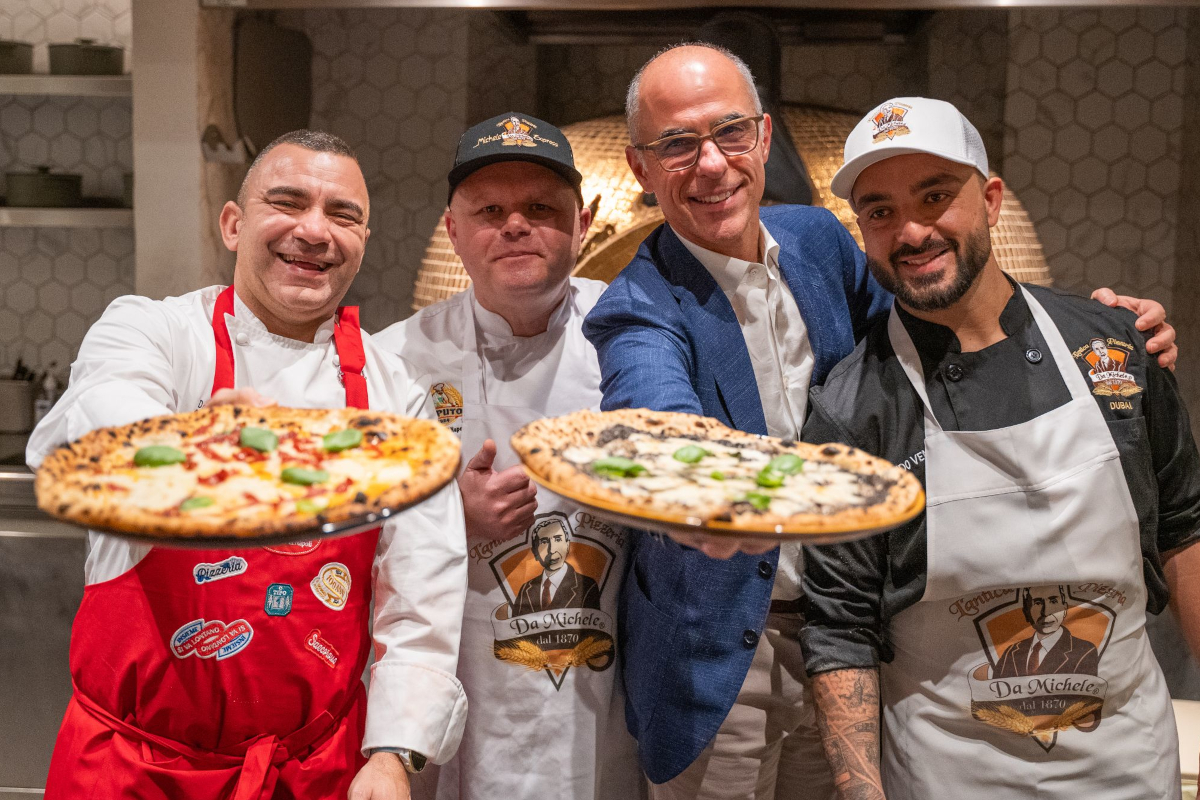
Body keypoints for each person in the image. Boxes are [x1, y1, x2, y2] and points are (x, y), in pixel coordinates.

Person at [581, 44, 1179, 800]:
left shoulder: (819, 240)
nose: (710, 164)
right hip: (726, 655)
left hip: (867, 635)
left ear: (763, 139)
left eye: (730, 133)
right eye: (676, 144)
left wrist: (1093, 333)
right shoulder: (637, 307)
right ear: (639, 168)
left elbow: (938, 294)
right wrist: (685, 497)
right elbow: (655, 419)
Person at [28, 130, 468, 800]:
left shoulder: (394, 397)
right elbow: (100, 416)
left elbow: (423, 591)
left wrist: (392, 755)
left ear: (363, 242)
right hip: (134, 770)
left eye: (342, 215)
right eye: (287, 203)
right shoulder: (154, 333)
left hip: (311, 772)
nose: (314, 230)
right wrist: (194, 443)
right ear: (234, 223)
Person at [800, 97, 1200, 800]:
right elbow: (841, 628)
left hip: (1129, 773)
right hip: (949, 778)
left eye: (934, 197)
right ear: (862, 232)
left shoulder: (1114, 347)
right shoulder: (851, 408)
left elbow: (1186, 529)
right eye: (881, 211)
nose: (912, 230)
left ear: (989, 200)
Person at [376, 112, 640, 800]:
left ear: (584, 223)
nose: (515, 224)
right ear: (452, 229)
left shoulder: (635, 338)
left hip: (602, 689)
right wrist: (444, 518)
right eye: (490, 210)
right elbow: (334, 549)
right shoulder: (392, 361)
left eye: (540, 208)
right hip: (458, 692)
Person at [994, 586, 1099, 678]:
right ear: (1026, 612)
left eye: (1053, 601)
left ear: (1065, 608)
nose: (1046, 612)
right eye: (1037, 603)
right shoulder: (1011, 652)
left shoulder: (1085, 651)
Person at [514, 515, 603, 615]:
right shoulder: (525, 589)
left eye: (557, 539)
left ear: (567, 545)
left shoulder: (587, 586)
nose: (551, 550)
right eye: (544, 542)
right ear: (535, 551)